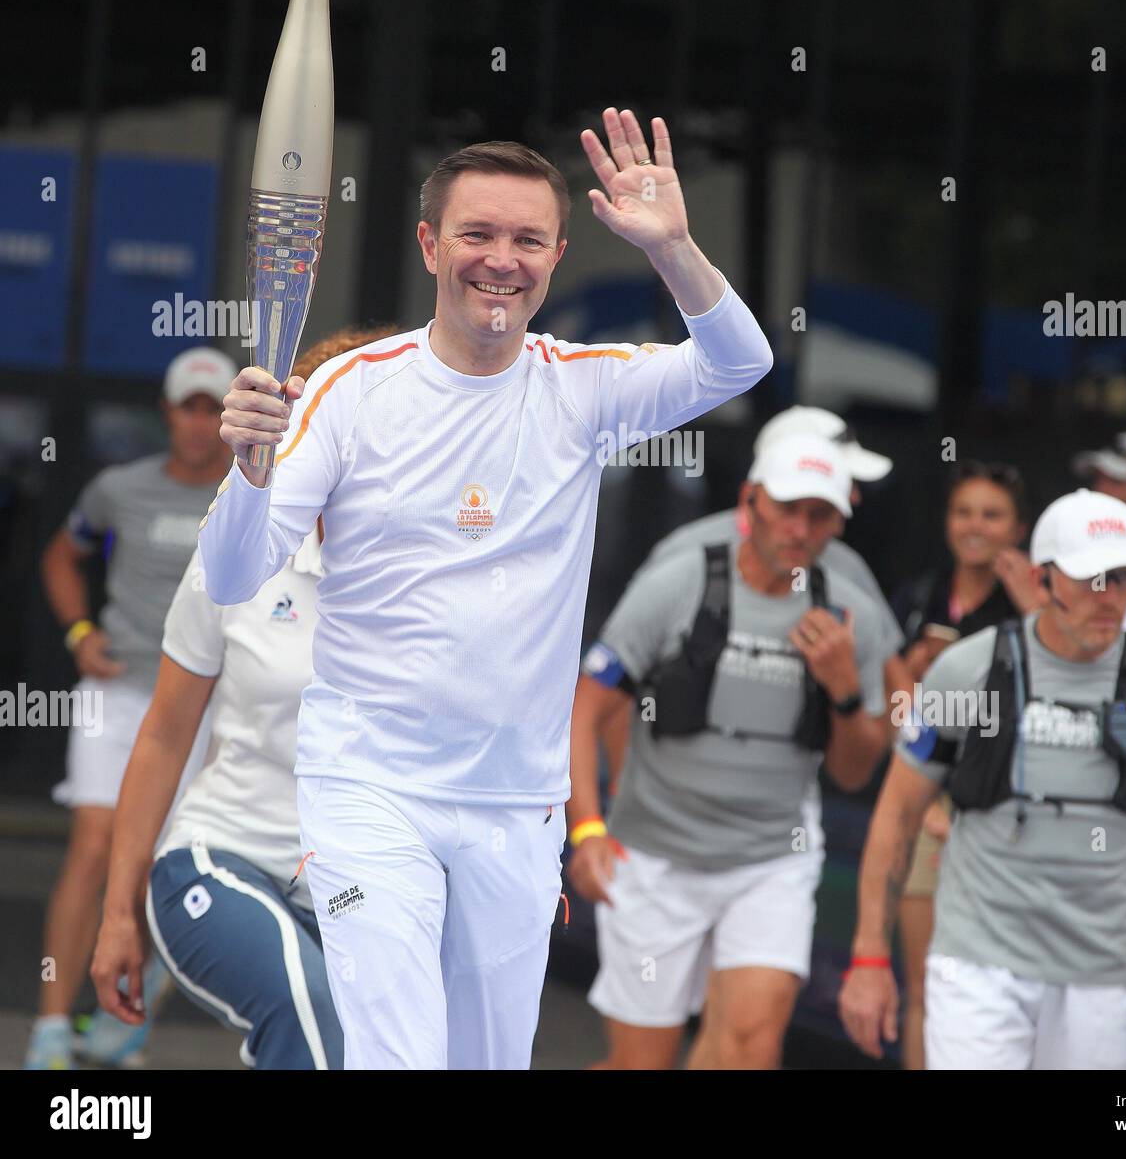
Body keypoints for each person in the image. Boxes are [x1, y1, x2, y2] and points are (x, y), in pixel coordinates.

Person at [197, 112, 773, 1070]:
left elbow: (740, 362)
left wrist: (674, 249)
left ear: (555, 255)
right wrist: (250, 471)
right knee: (398, 1057)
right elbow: (230, 574)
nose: (500, 261)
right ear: (431, 244)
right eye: (477, 234)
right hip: (370, 789)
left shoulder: (582, 389)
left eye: (526, 239)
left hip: (518, 804)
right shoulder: (350, 391)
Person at [839, 488, 1126, 1069]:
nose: (1110, 598)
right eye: (1091, 579)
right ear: (1042, 581)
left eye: (1125, 577)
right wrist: (870, 958)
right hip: (978, 966)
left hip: (1102, 976)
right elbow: (900, 811)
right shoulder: (969, 672)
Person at [90, 328, 391, 1070]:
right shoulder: (236, 545)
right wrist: (116, 914)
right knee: (310, 1011)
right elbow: (163, 736)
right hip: (225, 857)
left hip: (366, 883)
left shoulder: (429, 570)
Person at [568, 432, 891, 1068]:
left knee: (751, 1046)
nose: (800, 528)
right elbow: (587, 707)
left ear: (840, 522)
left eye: (819, 514)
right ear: (752, 500)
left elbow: (856, 773)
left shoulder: (852, 612)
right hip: (656, 855)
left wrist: (846, 691)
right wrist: (586, 829)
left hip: (770, 859)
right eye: (787, 507)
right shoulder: (681, 580)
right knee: (642, 1060)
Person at [25, 346, 236, 1070]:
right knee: (93, 848)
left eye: (214, 409)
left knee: (159, 866)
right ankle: (51, 1027)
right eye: (190, 407)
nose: (201, 423)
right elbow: (61, 555)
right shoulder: (119, 488)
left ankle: (122, 1017)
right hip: (115, 694)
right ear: (169, 412)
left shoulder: (251, 491)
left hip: (202, 707)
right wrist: (80, 633)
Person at [596, 404, 904, 797]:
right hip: (662, 814)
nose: (854, 496)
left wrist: (916, 787)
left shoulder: (846, 566)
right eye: (842, 477)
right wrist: (624, 793)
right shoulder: (684, 555)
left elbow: (895, 684)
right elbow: (616, 687)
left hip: (784, 821)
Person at [886, 459, 1042, 1069]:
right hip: (926, 803)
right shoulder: (919, 596)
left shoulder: (1033, 605)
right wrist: (914, 673)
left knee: (1008, 984)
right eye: (964, 511)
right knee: (925, 985)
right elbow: (898, 720)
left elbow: (1055, 703)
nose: (975, 526)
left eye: (992, 514)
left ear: (1018, 528)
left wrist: (1032, 604)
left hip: (1005, 812)